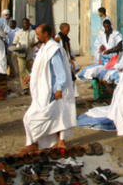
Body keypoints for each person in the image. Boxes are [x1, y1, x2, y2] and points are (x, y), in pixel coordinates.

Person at [21, 24, 76, 152]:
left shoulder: (53, 49)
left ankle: (52, 141)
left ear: (45, 34)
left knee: (39, 117)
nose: (37, 37)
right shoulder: (44, 48)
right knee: (54, 116)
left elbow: (60, 72)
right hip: (44, 90)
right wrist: (31, 76)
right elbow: (39, 66)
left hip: (52, 90)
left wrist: (59, 89)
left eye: (39, 34)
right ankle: (37, 142)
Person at [13, 18, 38, 95]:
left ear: (29, 23)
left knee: (32, 70)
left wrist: (33, 44)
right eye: (24, 23)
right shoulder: (18, 33)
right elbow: (14, 43)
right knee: (22, 70)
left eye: (27, 23)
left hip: (30, 54)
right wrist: (19, 46)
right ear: (22, 24)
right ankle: (25, 87)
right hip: (21, 55)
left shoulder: (33, 32)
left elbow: (37, 41)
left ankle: (33, 85)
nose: (25, 25)